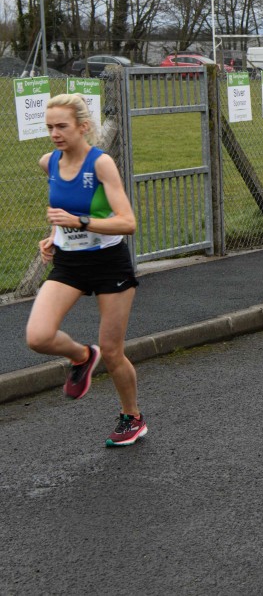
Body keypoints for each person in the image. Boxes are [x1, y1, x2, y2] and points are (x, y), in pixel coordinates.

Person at [25, 94, 143, 446]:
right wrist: (53, 236)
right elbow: (61, 208)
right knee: (38, 336)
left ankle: (132, 417)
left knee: (112, 350)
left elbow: (127, 222)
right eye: (49, 127)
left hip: (109, 265)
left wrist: (79, 221)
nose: (55, 134)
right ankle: (80, 355)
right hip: (69, 264)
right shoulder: (48, 163)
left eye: (62, 126)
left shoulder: (101, 164)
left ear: (83, 126)